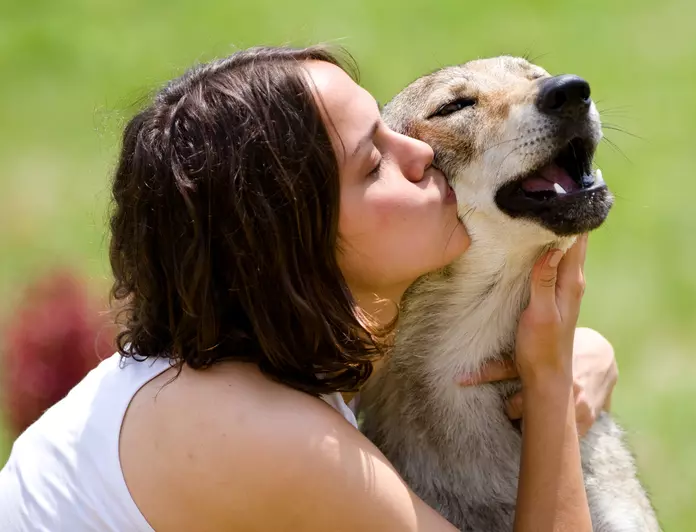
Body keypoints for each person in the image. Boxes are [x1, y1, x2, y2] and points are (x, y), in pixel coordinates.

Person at [0, 45, 618, 531]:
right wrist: (549, 382)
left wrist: (583, 351)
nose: (422, 155)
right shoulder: (264, 433)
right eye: (373, 164)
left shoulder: (257, 359)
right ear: (296, 244)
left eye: (388, 125)